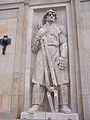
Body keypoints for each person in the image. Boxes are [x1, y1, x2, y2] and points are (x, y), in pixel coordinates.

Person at [28, 9, 71, 113]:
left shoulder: (59, 29)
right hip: (42, 54)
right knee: (38, 79)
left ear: (55, 17)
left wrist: (63, 57)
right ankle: (36, 105)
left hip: (56, 53)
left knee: (62, 79)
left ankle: (64, 105)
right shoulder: (41, 29)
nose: (51, 16)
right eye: (49, 14)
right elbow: (34, 49)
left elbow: (64, 44)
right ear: (45, 17)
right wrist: (39, 36)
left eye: (53, 14)